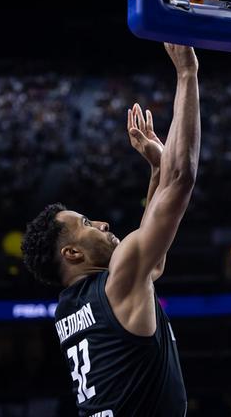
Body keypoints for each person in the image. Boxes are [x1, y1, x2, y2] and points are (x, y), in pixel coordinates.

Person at [22, 44, 200, 417]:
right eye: (87, 224)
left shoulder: (71, 306)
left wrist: (156, 170)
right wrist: (187, 73)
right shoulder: (117, 284)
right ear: (72, 253)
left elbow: (150, 266)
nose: (102, 224)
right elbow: (182, 178)